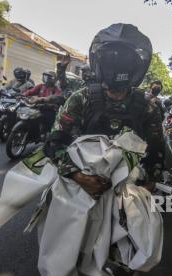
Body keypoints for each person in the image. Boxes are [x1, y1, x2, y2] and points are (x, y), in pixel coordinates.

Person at [45, 23, 164, 197]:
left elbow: (156, 151)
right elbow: (55, 142)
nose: (117, 64)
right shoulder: (81, 98)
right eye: (112, 59)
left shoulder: (147, 106)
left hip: (129, 192)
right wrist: (78, 176)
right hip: (80, 188)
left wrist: (149, 185)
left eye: (124, 60)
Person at [23, 70, 64, 135]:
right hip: (37, 107)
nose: (45, 79)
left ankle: (46, 136)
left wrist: (44, 100)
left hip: (49, 110)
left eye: (47, 77)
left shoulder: (56, 89)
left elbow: (56, 98)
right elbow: (31, 91)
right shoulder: (41, 86)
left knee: (48, 123)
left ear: (53, 79)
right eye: (45, 77)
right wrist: (23, 95)